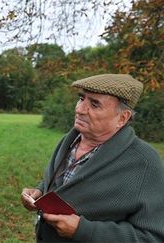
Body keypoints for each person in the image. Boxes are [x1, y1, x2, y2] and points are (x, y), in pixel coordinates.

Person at [21, 74, 164, 242]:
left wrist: (84, 231)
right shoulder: (70, 140)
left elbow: (152, 237)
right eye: (81, 99)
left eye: (94, 104)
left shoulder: (145, 163)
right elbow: (66, 183)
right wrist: (40, 191)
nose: (80, 109)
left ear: (122, 118)